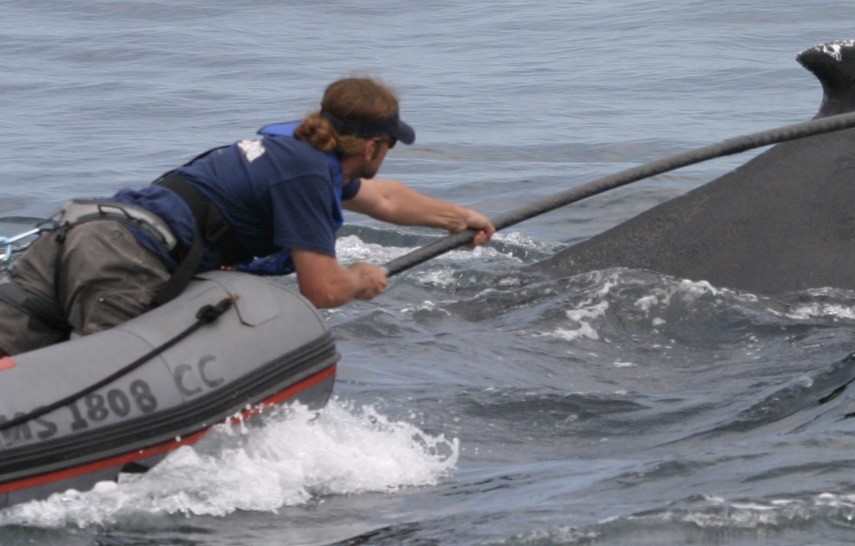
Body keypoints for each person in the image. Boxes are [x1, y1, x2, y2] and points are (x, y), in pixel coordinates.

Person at [0, 76, 494, 357]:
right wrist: (359, 280)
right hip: (123, 263)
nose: (387, 155)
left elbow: (383, 199)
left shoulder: (292, 151)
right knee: (97, 379)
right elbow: (321, 290)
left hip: (83, 230)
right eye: (388, 145)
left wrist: (458, 218)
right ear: (371, 145)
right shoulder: (305, 178)